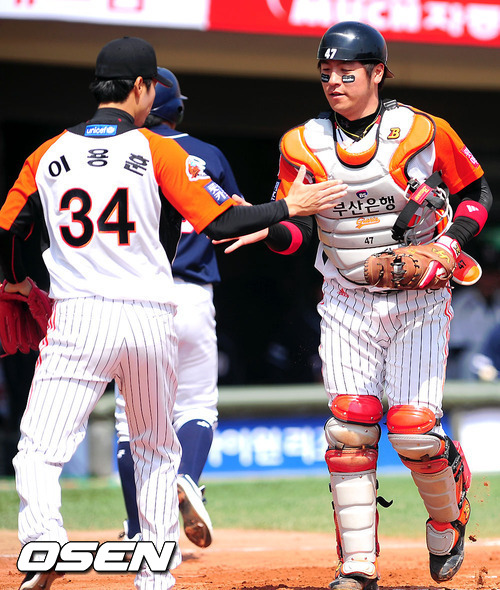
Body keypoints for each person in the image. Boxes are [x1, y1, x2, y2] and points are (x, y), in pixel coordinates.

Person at [0, 36, 348, 590]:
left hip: (78, 317)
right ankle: (155, 577)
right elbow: (221, 222)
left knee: (39, 449)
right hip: (148, 316)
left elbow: (10, 229)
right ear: (142, 87)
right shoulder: (157, 150)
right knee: (157, 452)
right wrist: (291, 205)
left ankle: (44, 543)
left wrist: (18, 279)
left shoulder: (46, 154)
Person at [218, 21, 492, 590]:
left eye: (347, 72)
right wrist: (268, 226)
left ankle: (449, 515)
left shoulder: (421, 130)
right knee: (349, 429)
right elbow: (296, 231)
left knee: (413, 430)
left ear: (377, 72)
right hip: (346, 297)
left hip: (419, 299)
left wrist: (449, 245)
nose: (335, 82)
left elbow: (477, 194)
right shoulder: (301, 143)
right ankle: (358, 566)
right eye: (326, 73)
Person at [115, 67, 242, 549]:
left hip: (133, 296)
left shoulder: (119, 153)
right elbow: (230, 220)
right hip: (191, 294)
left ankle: (137, 530)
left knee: (130, 420)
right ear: (177, 109)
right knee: (196, 406)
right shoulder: (206, 154)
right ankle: (186, 476)